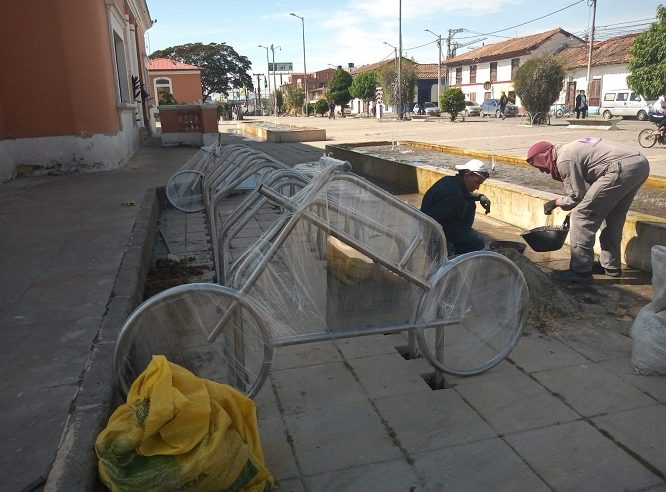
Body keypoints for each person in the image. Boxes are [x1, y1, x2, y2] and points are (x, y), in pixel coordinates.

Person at [526, 138, 650, 285]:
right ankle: (610, 266)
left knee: (581, 217)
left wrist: (556, 203)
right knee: (612, 217)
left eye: (540, 166)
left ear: (544, 156)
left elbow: (576, 196)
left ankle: (580, 271)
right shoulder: (567, 149)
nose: (542, 170)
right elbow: (590, 194)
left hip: (620, 167)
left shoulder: (564, 160)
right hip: (639, 163)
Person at [420, 159, 492, 256]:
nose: (477, 187)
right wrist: (446, 245)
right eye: (477, 182)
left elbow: (463, 194)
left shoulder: (452, 182)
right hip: (435, 238)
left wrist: (479, 197)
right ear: (467, 175)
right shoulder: (452, 194)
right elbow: (433, 221)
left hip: (447, 232)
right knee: (479, 245)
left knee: (478, 241)